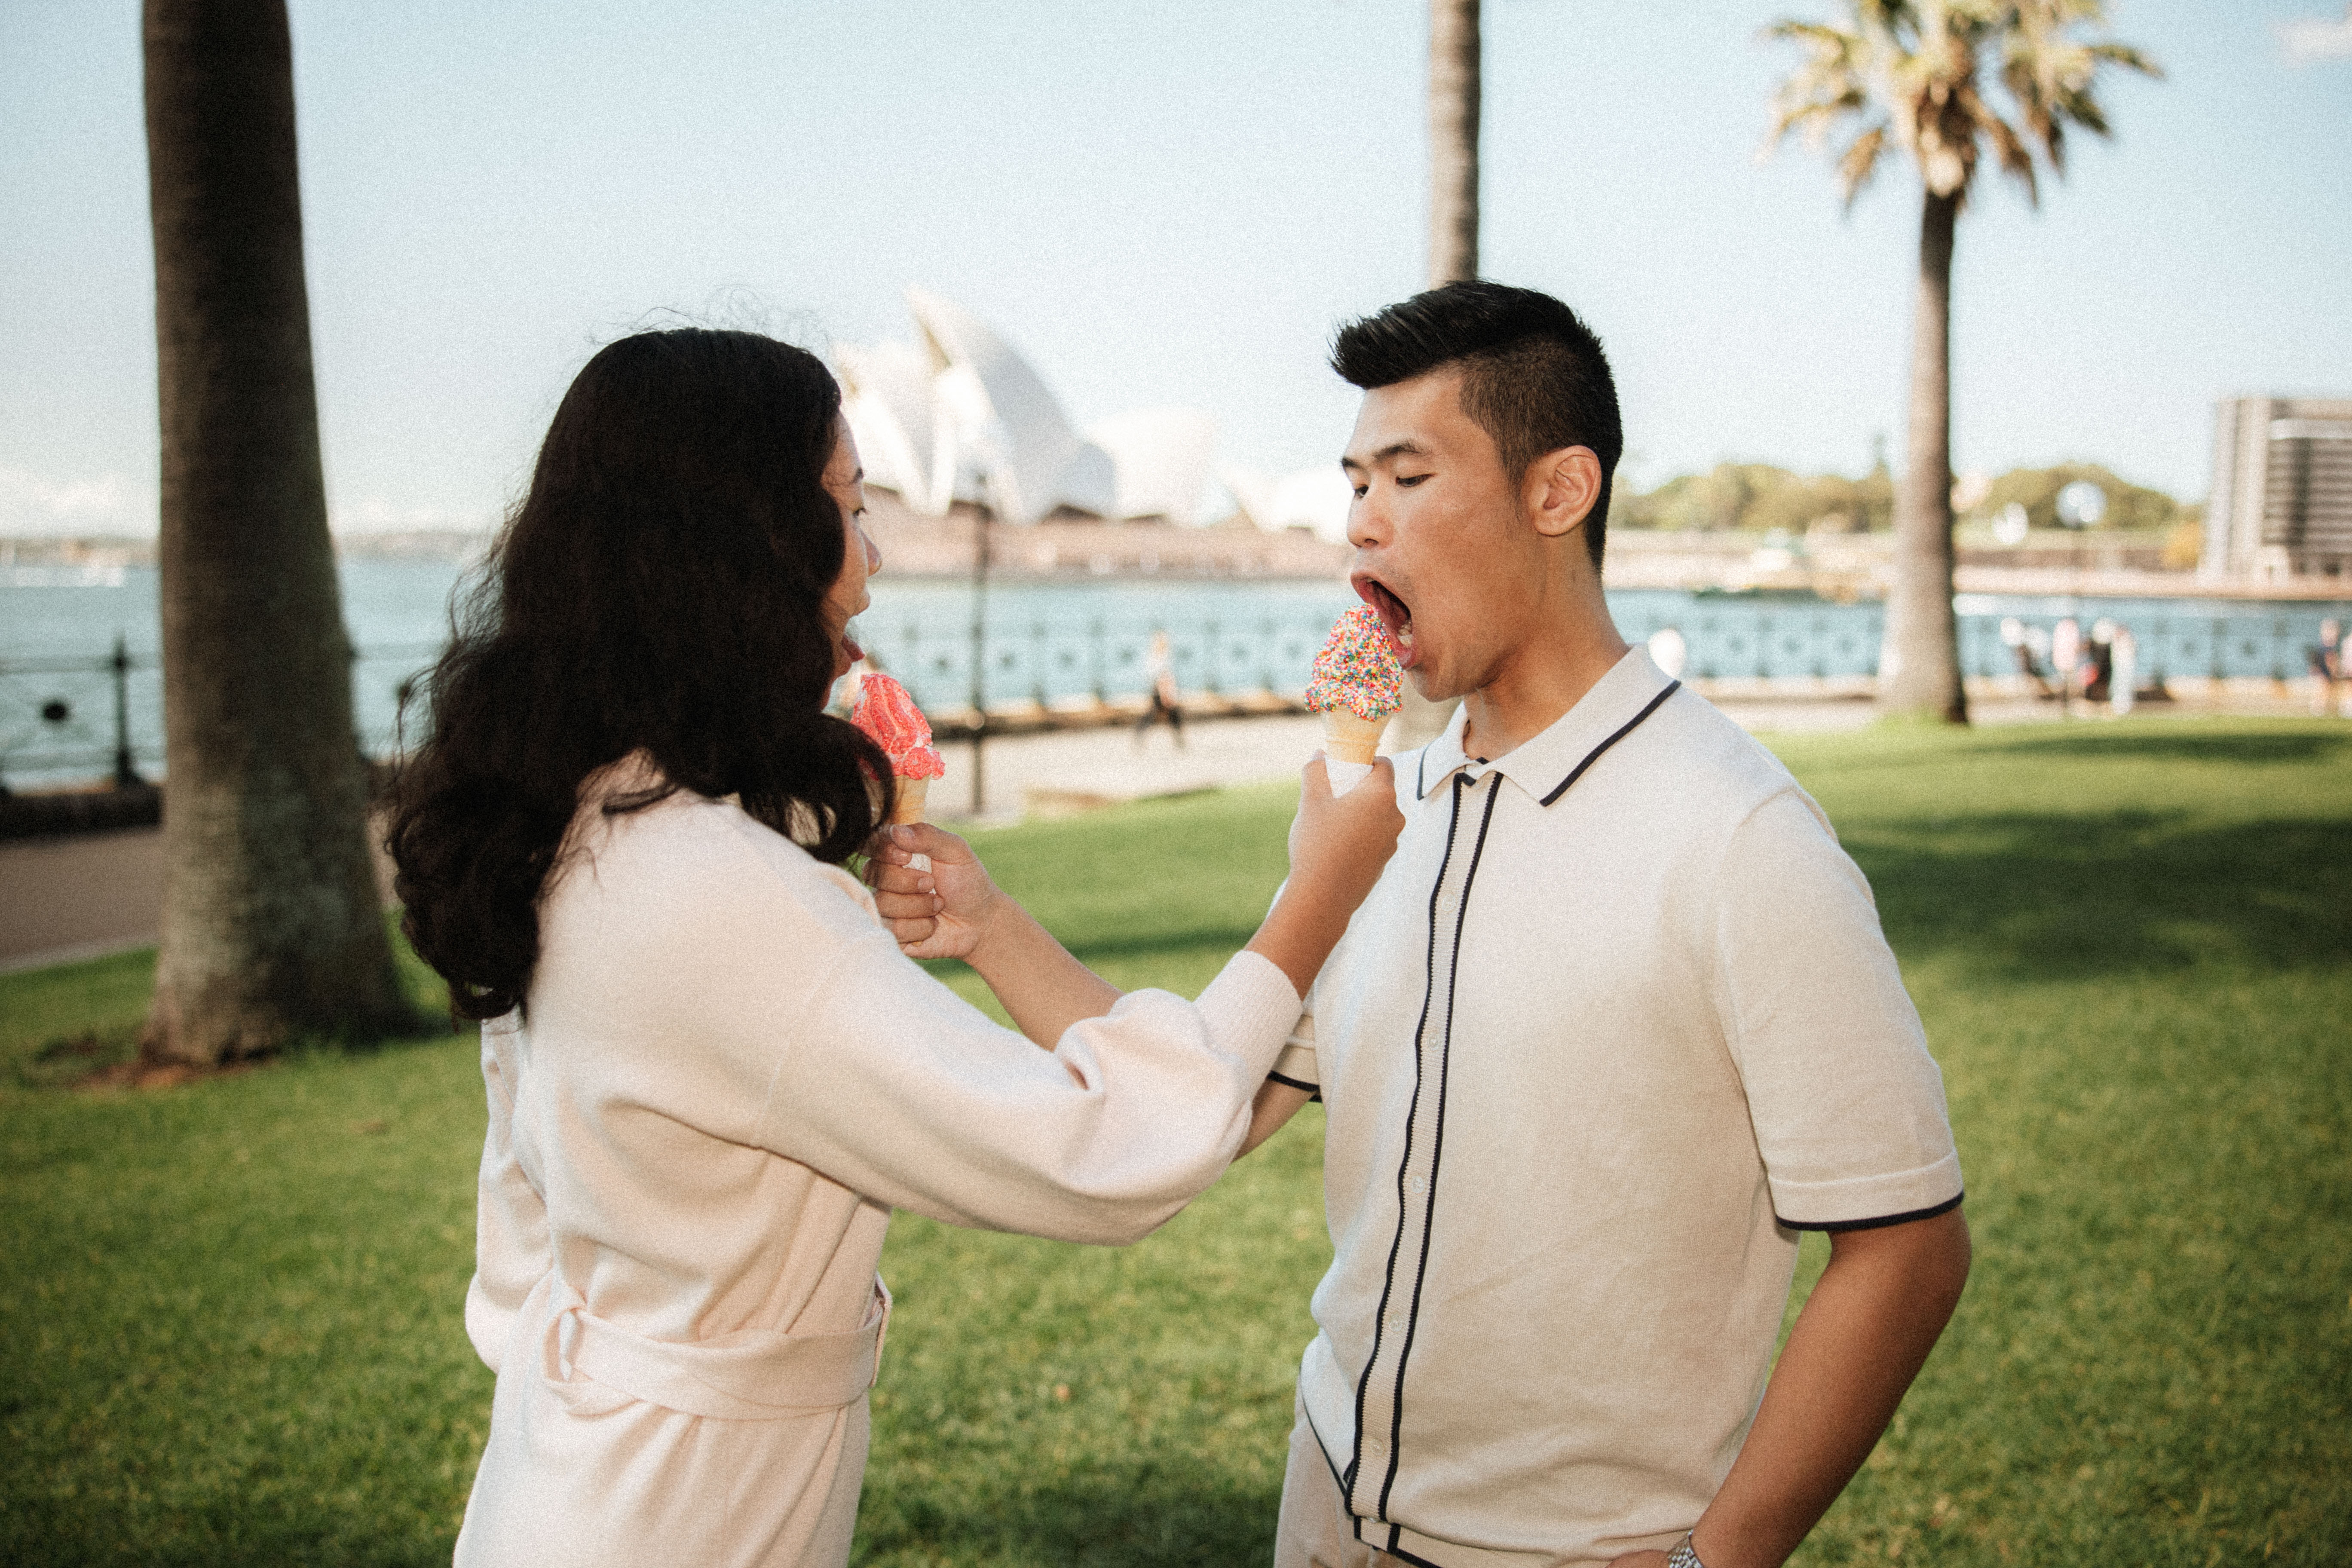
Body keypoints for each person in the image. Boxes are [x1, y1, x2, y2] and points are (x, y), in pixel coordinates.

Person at [386, 328, 1403, 1568]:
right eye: (851, 507)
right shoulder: (723, 891)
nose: (869, 562)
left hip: (567, 1468)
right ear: (748, 548)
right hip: (681, 1515)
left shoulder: (572, 821)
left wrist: (977, 929)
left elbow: (519, 1239)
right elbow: (1104, 1151)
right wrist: (1320, 888)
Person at [1235, 284, 1969, 1568]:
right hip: (1325, 1499)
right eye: (1354, 483)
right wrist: (986, 920)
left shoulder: (1741, 840)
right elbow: (1213, 1096)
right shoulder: (1382, 818)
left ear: (1559, 491)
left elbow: (1907, 1248)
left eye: (1407, 476)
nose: (1360, 521)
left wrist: (1711, 1562)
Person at [1135, 627, 1186, 746]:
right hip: (1160, 690)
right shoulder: (1157, 659)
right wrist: (1166, 693)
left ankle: (1179, 739)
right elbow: (1160, 678)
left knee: (1168, 714)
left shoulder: (1159, 657)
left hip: (1161, 689)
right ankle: (1140, 733)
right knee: (1157, 713)